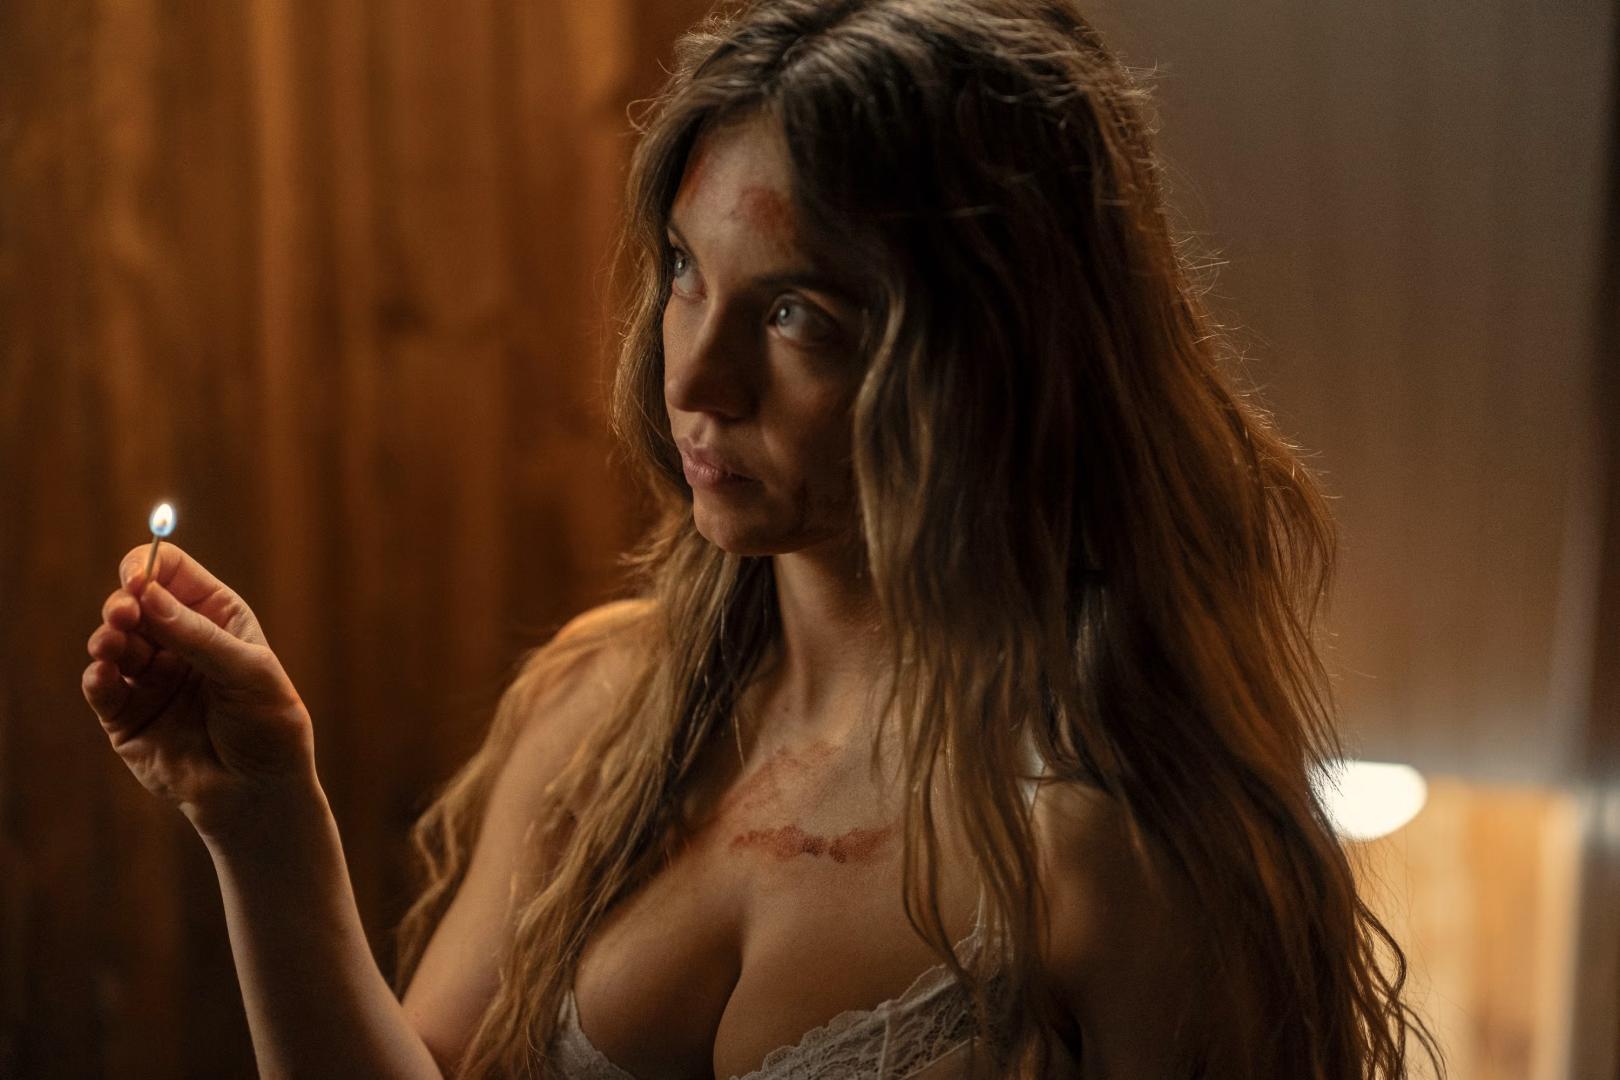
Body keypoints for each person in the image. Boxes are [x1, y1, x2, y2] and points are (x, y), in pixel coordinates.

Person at [83, 1, 1446, 1076]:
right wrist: (263, 827)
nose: (696, 375)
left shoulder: (1122, 846)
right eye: (686, 271)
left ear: (989, 357)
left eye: (799, 315)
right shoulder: (603, 713)